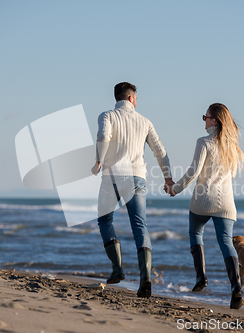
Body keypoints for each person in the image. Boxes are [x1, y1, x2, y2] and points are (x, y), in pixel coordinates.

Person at [91, 82, 174, 298]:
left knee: (104, 220)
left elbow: (103, 136)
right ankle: (145, 278)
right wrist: (168, 178)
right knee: (139, 225)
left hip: (113, 176)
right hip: (137, 176)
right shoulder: (144, 121)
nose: (137, 101)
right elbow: (160, 151)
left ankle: (117, 269)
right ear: (130, 98)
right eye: (136, 98)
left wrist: (99, 160)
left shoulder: (107, 116)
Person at [165, 103, 244, 309]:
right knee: (226, 242)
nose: (204, 120)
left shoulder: (204, 142)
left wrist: (175, 188)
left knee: (195, 232)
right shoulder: (233, 146)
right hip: (226, 204)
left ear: (214, 121)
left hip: (203, 201)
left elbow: (193, 172)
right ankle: (236, 291)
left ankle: (201, 278)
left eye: (205, 117)